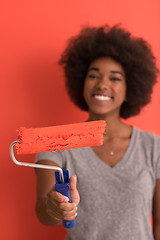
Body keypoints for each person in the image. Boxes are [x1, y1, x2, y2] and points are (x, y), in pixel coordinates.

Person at [35, 24, 160, 240]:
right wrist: (55, 207)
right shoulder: (56, 143)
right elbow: (44, 212)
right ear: (81, 83)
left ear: (130, 88)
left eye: (115, 78)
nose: (102, 84)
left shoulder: (153, 146)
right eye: (93, 76)